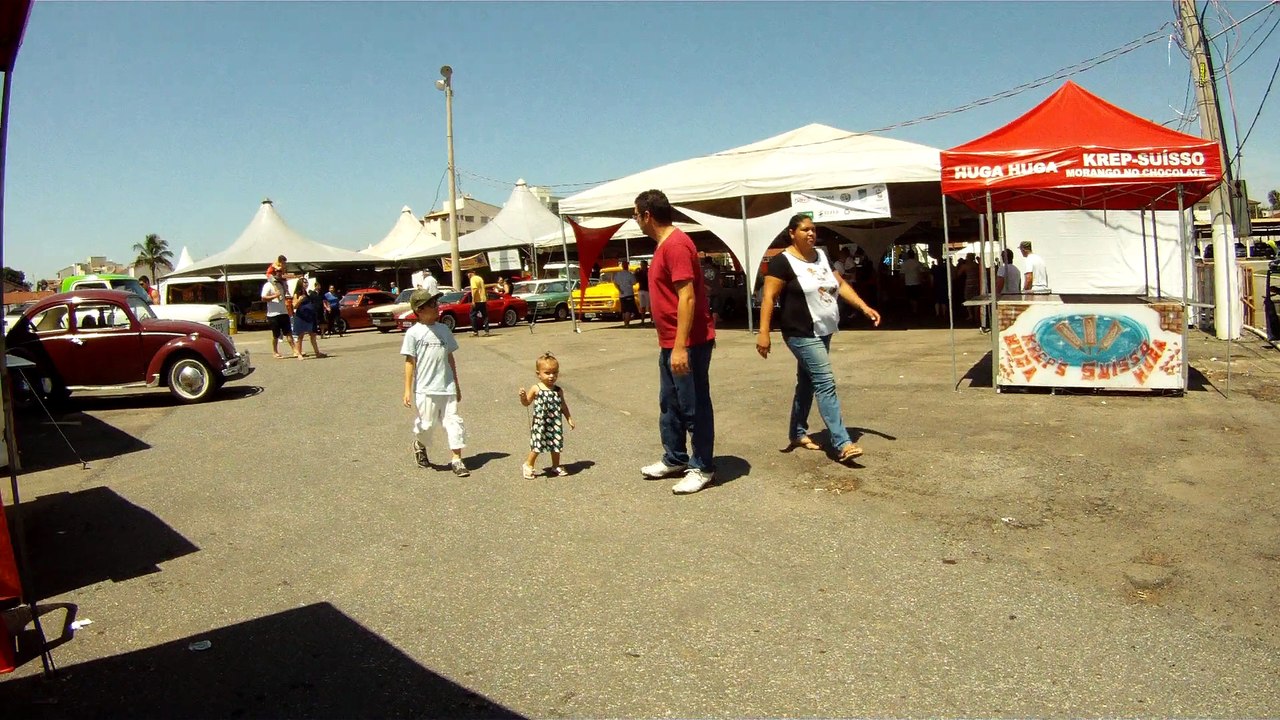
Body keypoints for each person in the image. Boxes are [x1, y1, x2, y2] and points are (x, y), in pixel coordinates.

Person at [756, 214, 881, 465]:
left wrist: (864, 307)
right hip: (800, 332)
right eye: (805, 230)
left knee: (807, 383)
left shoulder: (821, 256)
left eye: (813, 230)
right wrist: (763, 332)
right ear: (792, 232)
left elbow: (840, 284)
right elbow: (768, 297)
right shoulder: (782, 262)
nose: (811, 234)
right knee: (825, 381)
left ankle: (797, 432)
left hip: (823, 330)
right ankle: (842, 443)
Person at [633, 189, 716, 495]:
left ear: (647, 215)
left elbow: (688, 296)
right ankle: (675, 458)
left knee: (694, 406)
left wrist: (681, 346)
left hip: (689, 343)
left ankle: (702, 466)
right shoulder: (663, 246)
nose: (636, 221)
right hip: (669, 342)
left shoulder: (677, 245)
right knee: (670, 404)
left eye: (635, 215)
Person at [401, 289, 469, 477]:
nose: (437, 307)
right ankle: (420, 444)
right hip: (425, 389)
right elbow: (409, 362)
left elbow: (450, 358)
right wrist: (407, 390)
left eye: (436, 304)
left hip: (447, 387)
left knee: (454, 422)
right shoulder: (414, 333)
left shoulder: (444, 330)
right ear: (420, 310)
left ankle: (457, 459)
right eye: (432, 305)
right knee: (427, 426)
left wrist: (456, 383)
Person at [518, 352, 576, 479]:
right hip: (541, 423)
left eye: (555, 373)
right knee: (537, 445)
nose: (552, 376)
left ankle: (555, 465)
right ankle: (528, 465)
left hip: (555, 423)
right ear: (538, 374)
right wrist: (523, 397)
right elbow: (526, 403)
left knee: (556, 445)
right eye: (547, 373)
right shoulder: (536, 388)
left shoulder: (558, 390)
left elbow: (563, 406)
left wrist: (569, 418)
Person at [262, 265, 299, 359]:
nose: (280, 274)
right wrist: (275, 295)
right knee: (276, 335)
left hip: (283, 312)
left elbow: (286, 294)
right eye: (278, 272)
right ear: (274, 273)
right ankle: (275, 351)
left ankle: (295, 350)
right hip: (273, 314)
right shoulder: (268, 285)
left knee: (288, 333)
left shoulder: (282, 284)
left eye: (281, 272)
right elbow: (263, 298)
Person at [291, 278, 326, 358]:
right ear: (300, 284)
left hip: (310, 316)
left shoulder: (307, 293)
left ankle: (317, 353)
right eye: (304, 282)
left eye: (306, 282)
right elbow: (294, 306)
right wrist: (299, 300)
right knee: (300, 335)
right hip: (301, 316)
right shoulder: (297, 293)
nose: (306, 284)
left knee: (313, 334)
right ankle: (299, 353)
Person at [612, 259, 639, 327]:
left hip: (621, 295)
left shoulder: (618, 274)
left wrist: (620, 289)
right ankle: (627, 324)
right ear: (627, 266)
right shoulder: (630, 274)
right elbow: (634, 282)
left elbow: (615, 282)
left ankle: (625, 323)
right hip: (629, 293)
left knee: (624, 310)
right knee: (628, 310)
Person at [900, 251, 925, 316]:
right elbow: (922, 272)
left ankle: (913, 309)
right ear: (914, 255)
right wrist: (922, 280)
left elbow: (902, 274)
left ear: (908, 255)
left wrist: (902, 281)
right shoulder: (917, 263)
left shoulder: (905, 263)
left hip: (908, 282)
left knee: (910, 297)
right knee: (916, 297)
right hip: (916, 282)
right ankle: (915, 309)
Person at [467, 268, 491, 336]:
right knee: (485, 315)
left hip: (477, 300)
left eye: (468, 274)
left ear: (471, 273)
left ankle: (475, 331)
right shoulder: (480, 278)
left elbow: (475, 289)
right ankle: (487, 331)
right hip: (483, 299)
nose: (468, 276)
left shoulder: (473, 279)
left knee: (472, 315)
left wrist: (473, 300)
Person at [701, 255, 724, 322]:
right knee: (715, 309)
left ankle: (706, 323)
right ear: (711, 262)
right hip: (716, 292)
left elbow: (699, 281)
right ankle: (714, 325)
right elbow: (721, 281)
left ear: (705, 262)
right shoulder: (716, 270)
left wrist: (706, 286)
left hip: (706, 293)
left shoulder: (701, 270)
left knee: (706, 309)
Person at [635, 260, 650, 325]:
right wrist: (636, 272)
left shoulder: (649, 271)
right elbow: (636, 279)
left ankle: (652, 320)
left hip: (647, 290)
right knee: (642, 306)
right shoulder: (639, 272)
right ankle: (642, 320)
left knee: (649, 306)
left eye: (643, 265)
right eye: (641, 265)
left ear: (646, 265)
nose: (642, 266)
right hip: (641, 290)